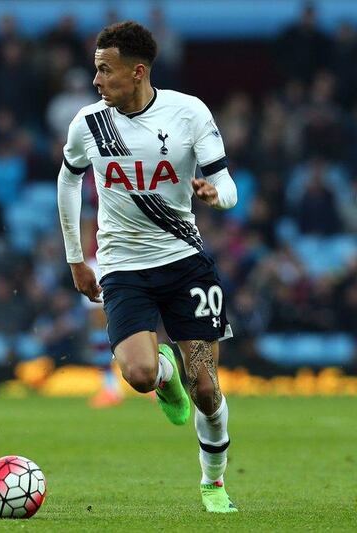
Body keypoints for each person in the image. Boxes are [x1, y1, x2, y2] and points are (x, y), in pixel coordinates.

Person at [57, 22, 238, 513]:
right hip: (123, 268)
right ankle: (163, 376)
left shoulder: (188, 113)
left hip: (185, 263)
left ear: (137, 72)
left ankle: (213, 482)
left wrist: (212, 194)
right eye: (95, 70)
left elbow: (229, 187)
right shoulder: (89, 124)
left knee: (206, 388)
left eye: (104, 70)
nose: (95, 81)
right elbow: (68, 179)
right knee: (137, 374)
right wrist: (76, 257)